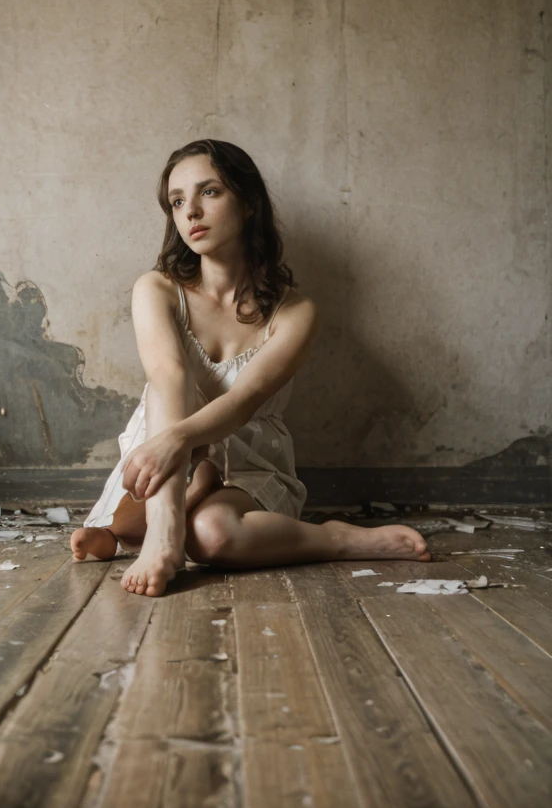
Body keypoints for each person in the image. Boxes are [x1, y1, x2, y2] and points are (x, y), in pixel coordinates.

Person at [71, 140, 429, 596]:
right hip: (163, 437)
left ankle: (335, 537)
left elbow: (243, 402)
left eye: (210, 192)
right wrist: (175, 443)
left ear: (250, 203)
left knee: (214, 536)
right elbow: (168, 378)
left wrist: (177, 440)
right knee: (173, 401)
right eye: (178, 201)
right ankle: (159, 530)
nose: (191, 212)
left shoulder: (297, 314)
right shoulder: (156, 289)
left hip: (248, 455)